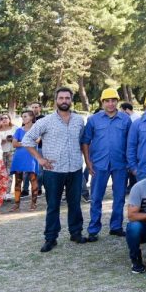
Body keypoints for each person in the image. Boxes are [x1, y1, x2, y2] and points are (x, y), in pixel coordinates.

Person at [22, 88, 88, 252]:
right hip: (53, 170)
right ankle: (51, 238)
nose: (64, 101)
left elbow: (82, 141)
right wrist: (40, 158)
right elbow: (27, 139)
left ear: (71, 100)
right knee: (53, 205)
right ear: (56, 100)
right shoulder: (46, 121)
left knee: (75, 204)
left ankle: (76, 233)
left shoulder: (79, 120)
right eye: (61, 98)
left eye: (67, 98)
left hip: (75, 169)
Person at [80, 88, 132, 241]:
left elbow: (131, 142)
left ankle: (116, 227)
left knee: (119, 197)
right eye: (107, 101)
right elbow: (85, 142)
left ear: (117, 102)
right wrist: (88, 162)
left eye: (113, 100)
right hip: (99, 164)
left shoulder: (125, 119)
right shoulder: (93, 120)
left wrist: (130, 162)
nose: (110, 104)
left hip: (120, 164)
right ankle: (93, 229)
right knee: (96, 197)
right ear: (102, 102)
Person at [9, 110, 39, 212]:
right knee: (18, 181)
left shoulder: (37, 129)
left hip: (32, 157)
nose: (23, 118)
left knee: (33, 180)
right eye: (22, 116)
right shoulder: (18, 130)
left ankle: (33, 204)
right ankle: (16, 204)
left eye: (25, 116)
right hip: (19, 157)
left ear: (31, 117)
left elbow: (36, 142)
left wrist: (21, 142)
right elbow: (14, 144)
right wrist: (27, 142)